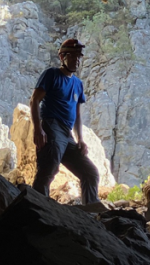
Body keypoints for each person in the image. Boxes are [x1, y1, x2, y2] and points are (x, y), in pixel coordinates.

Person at [30, 38, 100, 204]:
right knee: (49, 167)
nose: (77, 60)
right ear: (62, 57)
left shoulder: (78, 84)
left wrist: (80, 139)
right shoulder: (52, 74)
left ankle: (90, 208)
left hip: (67, 133)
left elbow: (77, 113)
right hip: (51, 125)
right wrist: (38, 129)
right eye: (73, 56)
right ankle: (37, 207)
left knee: (90, 172)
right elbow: (34, 101)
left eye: (79, 56)